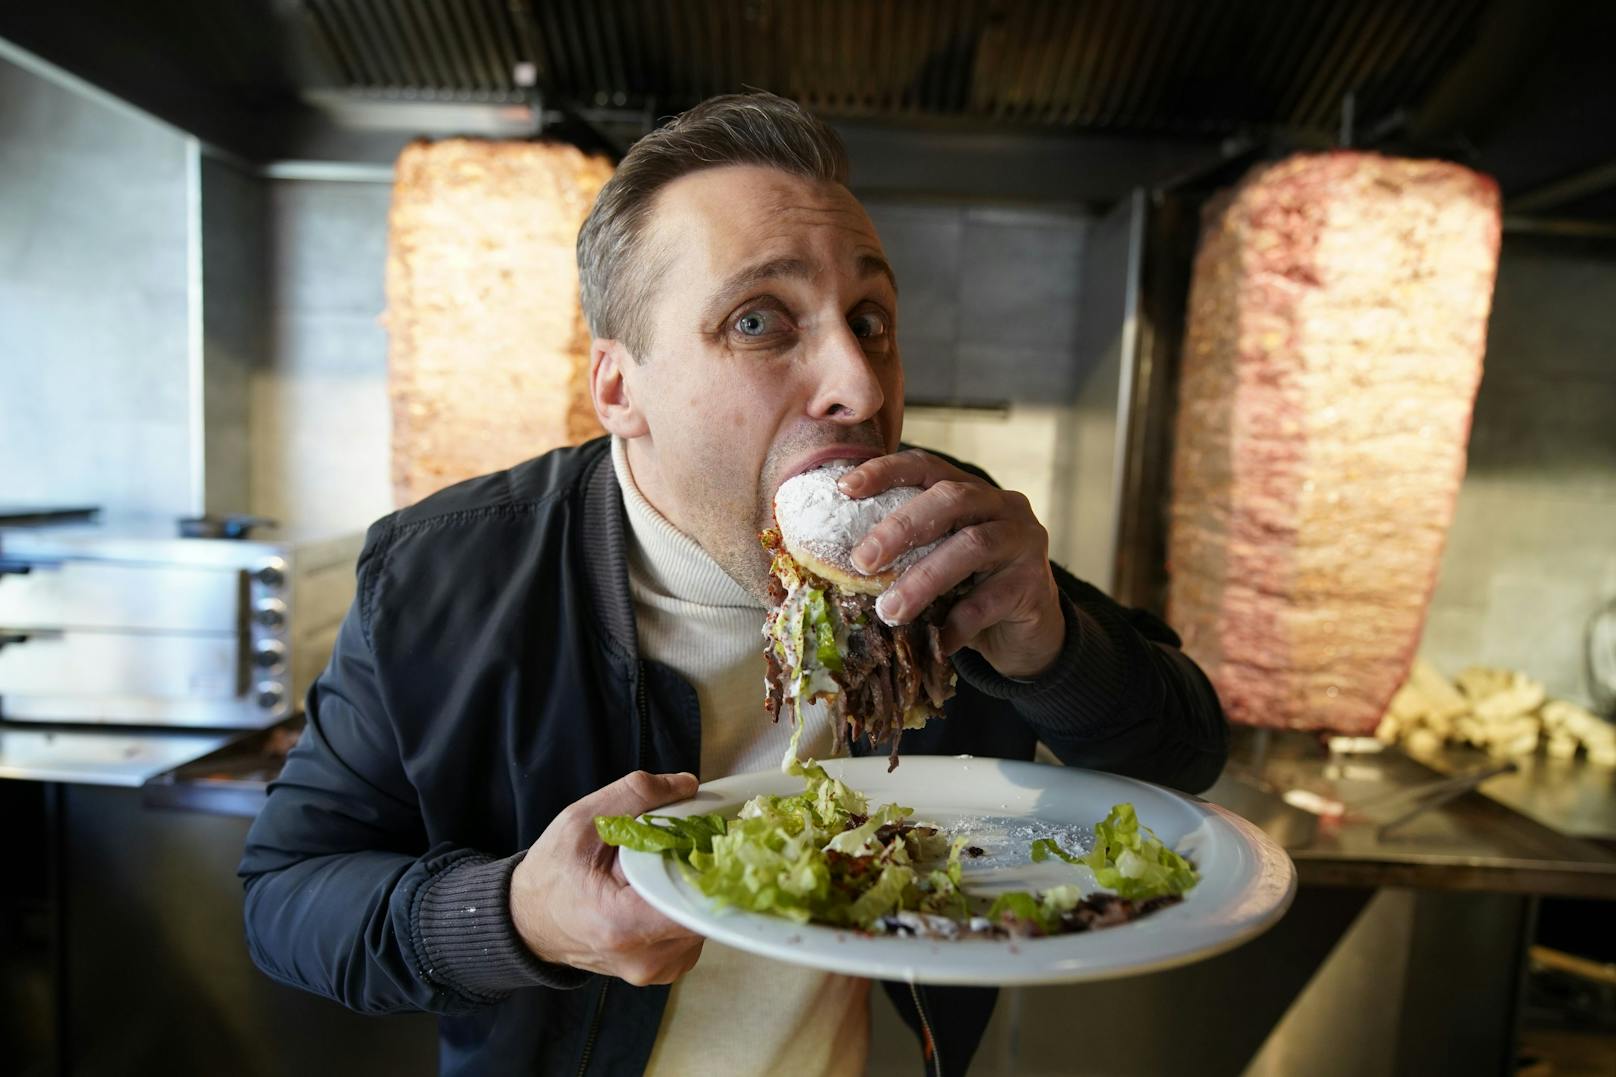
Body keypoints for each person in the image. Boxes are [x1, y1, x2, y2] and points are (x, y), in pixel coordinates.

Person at [239, 92, 1227, 1077]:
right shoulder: (441, 574)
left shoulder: (944, 533)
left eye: (871, 319)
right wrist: (514, 914)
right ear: (619, 388)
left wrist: (1053, 647)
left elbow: (1183, 752)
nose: (861, 385)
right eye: (758, 321)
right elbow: (285, 896)